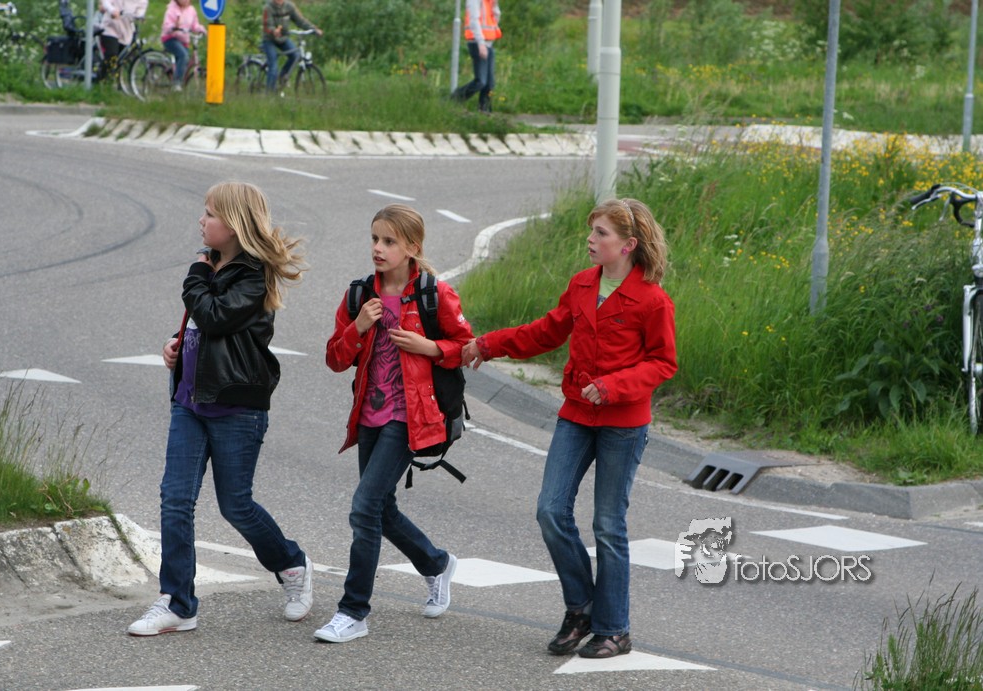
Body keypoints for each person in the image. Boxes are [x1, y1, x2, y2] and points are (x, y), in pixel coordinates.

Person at [461, 198, 677, 659]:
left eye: (601, 233)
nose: (591, 239)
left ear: (628, 245)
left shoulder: (652, 299)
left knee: (608, 525)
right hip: (577, 414)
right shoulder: (582, 284)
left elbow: (663, 362)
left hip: (623, 423)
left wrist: (614, 386)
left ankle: (614, 630)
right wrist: (487, 344)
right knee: (550, 510)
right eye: (592, 230)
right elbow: (546, 332)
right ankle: (581, 609)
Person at [128, 182, 313, 636]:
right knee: (175, 500)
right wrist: (176, 345)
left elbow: (215, 315)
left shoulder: (254, 274)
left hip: (237, 407)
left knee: (236, 506)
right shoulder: (212, 266)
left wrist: (195, 273)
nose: (201, 220)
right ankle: (178, 603)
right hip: (190, 402)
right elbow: (203, 326)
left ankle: (291, 564)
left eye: (210, 213)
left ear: (233, 224)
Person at [316, 204, 473, 644]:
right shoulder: (359, 295)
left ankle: (353, 612)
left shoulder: (433, 294)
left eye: (389, 241)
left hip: (410, 417)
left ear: (412, 248)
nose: (378, 248)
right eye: (374, 239)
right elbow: (335, 359)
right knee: (381, 508)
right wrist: (358, 327)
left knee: (364, 507)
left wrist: (429, 347)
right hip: (369, 414)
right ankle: (437, 564)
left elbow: (466, 346)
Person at [451, 0, 501, 113]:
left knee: (489, 83)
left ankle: (484, 111)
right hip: (477, 43)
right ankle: (453, 100)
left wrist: (495, 6)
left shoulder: (489, 1)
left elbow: (495, 21)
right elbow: (474, 21)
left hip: (489, 43)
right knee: (480, 82)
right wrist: (481, 43)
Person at [261, 0, 322, 93]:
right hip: (269, 39)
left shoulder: (289, 6)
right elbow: (267, 26)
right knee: (273, 66)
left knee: (295, 55)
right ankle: (269, 94)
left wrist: (314, 29)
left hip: (283, 38)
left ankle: (282, 77)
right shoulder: (268, 7)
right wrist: (274, 31)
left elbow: (301, 21)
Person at [159, 0, 205, 90]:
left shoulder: (191, 10)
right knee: (183, 55)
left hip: (184, 40)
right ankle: (176, 83)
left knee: (183, 62)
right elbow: (166, 26)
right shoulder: (172, 9)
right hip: (170, 38)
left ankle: (176, 78)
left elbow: (194, 25)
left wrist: (201, 29)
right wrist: (173, 27)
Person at [97, 0, 146, 80]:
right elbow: (106, 2)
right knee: (112, 54)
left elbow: (141, 10)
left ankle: (114, 81)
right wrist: (112, 10)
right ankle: (101, 79)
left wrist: (140, 16)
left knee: (122, 59)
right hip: (110, 27)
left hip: (126, 31)